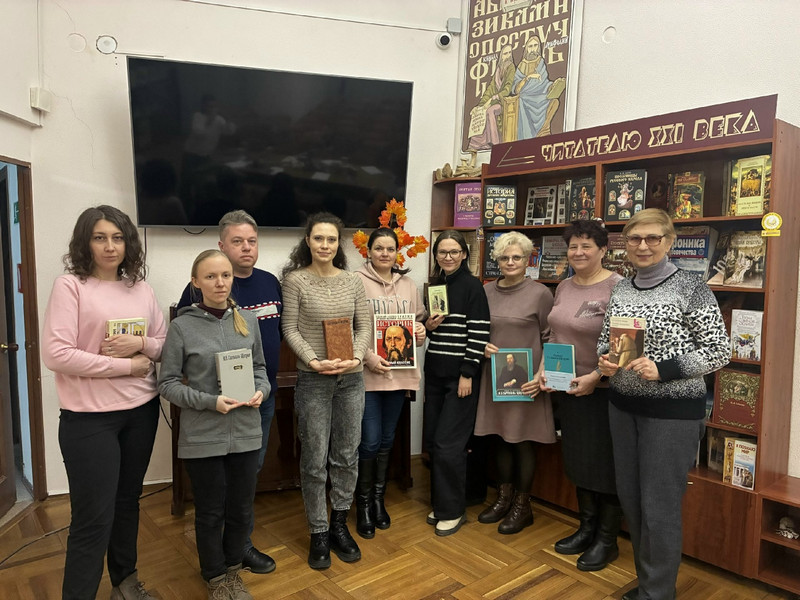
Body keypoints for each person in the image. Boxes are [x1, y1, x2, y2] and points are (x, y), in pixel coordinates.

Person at [597, 209, 730, 600]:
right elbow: (607, 341)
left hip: (671, 415)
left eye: (653, 238)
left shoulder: (691, 286)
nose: (643, 246)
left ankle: (657, 594)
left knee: (659, 507)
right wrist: (605, 360)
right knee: (632, 501)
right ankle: (649, 585)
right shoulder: (622, 288)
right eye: (635, 238)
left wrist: (664, 369)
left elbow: (718, 351)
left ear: (669, 241)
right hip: (622, 407)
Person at [42, 205, 166, 600]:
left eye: (117, 238)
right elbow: (57, 354)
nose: (110, 246)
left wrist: (140, 344)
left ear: (128, 243)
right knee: (92, 518)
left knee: (127, 502)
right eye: (100, 238)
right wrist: (127, 366)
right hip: (89, 419)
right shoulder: (70, 286)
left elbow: (164, 344)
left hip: (141, 412)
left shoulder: (141, 289)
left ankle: (125, 585)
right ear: (86, 243)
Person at [159, 249, 269, 600]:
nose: (220, 283)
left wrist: (261, 391)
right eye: (210, 276)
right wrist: (210, 402)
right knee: (209, 512)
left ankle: (233, 571)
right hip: (203, 435)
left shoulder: (247, 321)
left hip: (246, 431)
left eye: (225, 275)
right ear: (196, 282)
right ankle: (215, 578)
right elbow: (167, 384)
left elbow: (260, 370)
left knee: (240, 508)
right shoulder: (181, 327)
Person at [177, 209, 282, 575]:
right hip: (213, 410)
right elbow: (182, 350)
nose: (246, 247)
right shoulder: (199, 294)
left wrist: (263, 388)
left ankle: (239, 547)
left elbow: (272, 343)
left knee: (245, 481)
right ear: (222, 246)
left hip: (257, 402)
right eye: (237, 241)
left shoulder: (270, 283)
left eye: (251, 240)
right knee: (216, 492)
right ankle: (216, 561)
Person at [281, 212, 371, 569]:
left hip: (351, 379)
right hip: (314, 381)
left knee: (347, 455)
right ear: (308, 241)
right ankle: (318, 531)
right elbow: (290, 328)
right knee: (315, 459)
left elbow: (364, 326)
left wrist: (357, 356)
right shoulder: (295, 280)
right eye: (318, 238)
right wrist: (313, 360)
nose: (325, 245)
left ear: (339, 243)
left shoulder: (352, 280)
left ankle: (339, 524)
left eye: (331, 239)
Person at [532, 220, 624, 572]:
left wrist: (596, 377)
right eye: (573, 246)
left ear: (603, 250)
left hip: (605, 391)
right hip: (568, 388)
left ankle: (607, 540)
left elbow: (625, 344)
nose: (579, 252)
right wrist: (544, 370)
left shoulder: (619, 287)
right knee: (579, 462)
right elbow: (554, 335)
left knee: (606, 466)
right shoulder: (564, 286)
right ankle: (586, 529)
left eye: (587, 245)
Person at [474, 231, 554, 535]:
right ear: (497, 260)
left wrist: (541, 374)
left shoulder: (541, 294)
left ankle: (523, 505)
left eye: (517, 257)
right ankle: (503, 498)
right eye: (505, 257)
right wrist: (480, 346)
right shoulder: (486, 291)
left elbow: (551, 336)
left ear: (528, 260)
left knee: (521, 440)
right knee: (499, 436)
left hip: (527, 382)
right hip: (494, 378)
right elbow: (477, 329)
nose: (510, 262)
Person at [354, 227, 427, 539]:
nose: (385, 254)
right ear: (368, 251)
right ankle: (362, 503)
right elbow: (349, 327)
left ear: (398, 252)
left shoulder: (408, 284)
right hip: (367, 374)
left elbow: (417, 323)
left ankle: (378, 499)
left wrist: (421, 331)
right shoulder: (354, 281)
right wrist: (368, 357)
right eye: (379, 248)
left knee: (386, 440)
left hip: (399, 376)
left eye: (390, 249)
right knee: (369, 441)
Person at [424, 230, 491, 536]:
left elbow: (479, 333)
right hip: (435, 373)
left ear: (464, 254)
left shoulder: (473, 286)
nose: (448, 257)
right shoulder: (436, 285)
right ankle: (442, 503)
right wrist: (428, 325)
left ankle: (453, 511)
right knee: (434, 441)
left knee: (448, 445)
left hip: (459, 378)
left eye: (454, 252)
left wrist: (467, 373)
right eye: (442, 252)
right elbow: (435, 330)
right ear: (436, 256)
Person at [467, 44, 515, 151]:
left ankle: (495, 143)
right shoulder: (498, 70)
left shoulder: (511, 68)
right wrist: (480, 105)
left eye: (509, 53)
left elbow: (508, 88)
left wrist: (495, 97)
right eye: (505, 53)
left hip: (505, 103)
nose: (507, 56)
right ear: (501, 56)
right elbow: (490, 89)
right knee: (479, 112)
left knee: (490, 110)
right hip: (495, 101)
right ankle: (477, 144)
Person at [513, 35, 561, 139]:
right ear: (527, 48)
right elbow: (516, 89)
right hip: (526, 96)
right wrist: (528, 77)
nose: (533, 49)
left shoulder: (540, 62)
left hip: (540, 94)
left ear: (538, 47)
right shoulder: (522, 65)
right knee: (521, 100)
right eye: (530, 46)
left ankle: (543, 130)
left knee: (555, 102)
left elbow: (544, 82)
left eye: (535, 46)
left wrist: (553, 86)